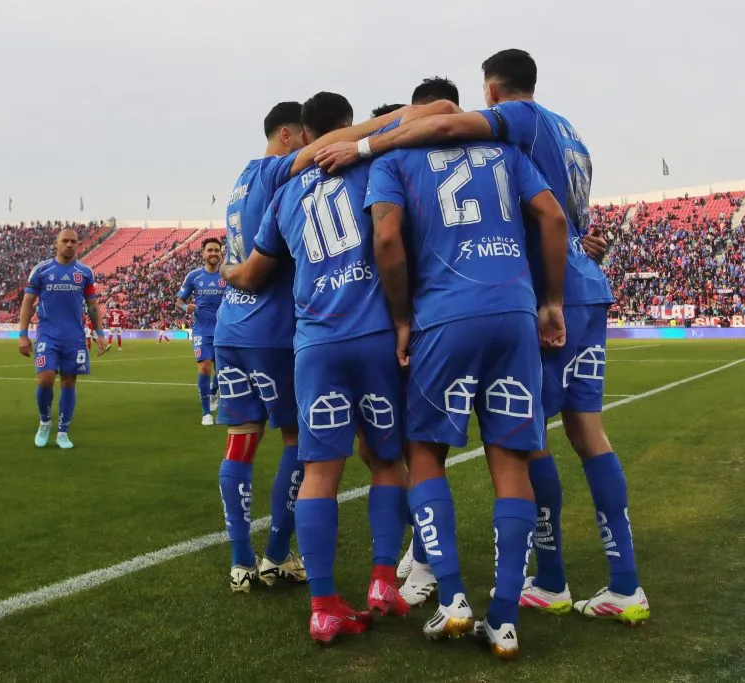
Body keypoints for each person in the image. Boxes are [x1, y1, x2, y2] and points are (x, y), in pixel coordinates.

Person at [316, 48, 650, 626]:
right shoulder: (571, 135)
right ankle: (620, 582)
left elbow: (445, 119)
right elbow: (564, 215)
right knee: (585, 432)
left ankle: (544, 578)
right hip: (581, 285)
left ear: (491, 92)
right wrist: (578, 246)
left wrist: (368, 143)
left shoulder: (511, 121)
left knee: (523, 441)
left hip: (534, 293)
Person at [214, 97, 456, 594]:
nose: (316, 148)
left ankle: (243, 560)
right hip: (280, 330)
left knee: (242, 438)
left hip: (234, 328)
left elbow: (249, 268)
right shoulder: (282, 172)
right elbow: (344, 144)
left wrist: (225, 273)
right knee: (308, 449)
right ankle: (281, 554)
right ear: (291, 135)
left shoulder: (243, 182)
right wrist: (384, 127)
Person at [365, 135, 569, 657]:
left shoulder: (394, 159)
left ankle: (453, 596)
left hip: (444, 316)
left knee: (425, 452)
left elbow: (387, 238)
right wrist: (551, 301)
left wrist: (401, 318)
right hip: (514, 314)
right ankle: (503, 618)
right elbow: (554, 218)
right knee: (511, 462)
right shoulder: (507, 153)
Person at [18, 229, 107, 450]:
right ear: (56, 243)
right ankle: (45, 421)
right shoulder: (41, 270)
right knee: (45, 379)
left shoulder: (85, 272)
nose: (69, 245)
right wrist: (23, 335)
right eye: (65, 241)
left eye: (73, 242)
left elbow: (92, 305)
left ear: (78, 245)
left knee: (69, 382)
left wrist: (100, 333)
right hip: (47, 335)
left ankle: (63, 432)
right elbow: (28, 303)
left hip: (74, 338)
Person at [177, 237, 226, 425]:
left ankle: (213, 392)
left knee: (222, 370)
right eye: (210, 250)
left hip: (224, 328)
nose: (213, 253)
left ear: (221, 253)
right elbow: (179, 301)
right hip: (202, 329)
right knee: (205, 365)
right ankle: (206, 413)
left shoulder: (227, 275)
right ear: (203, 253)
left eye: (216, 250)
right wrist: (184, 308)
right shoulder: (193, 276)